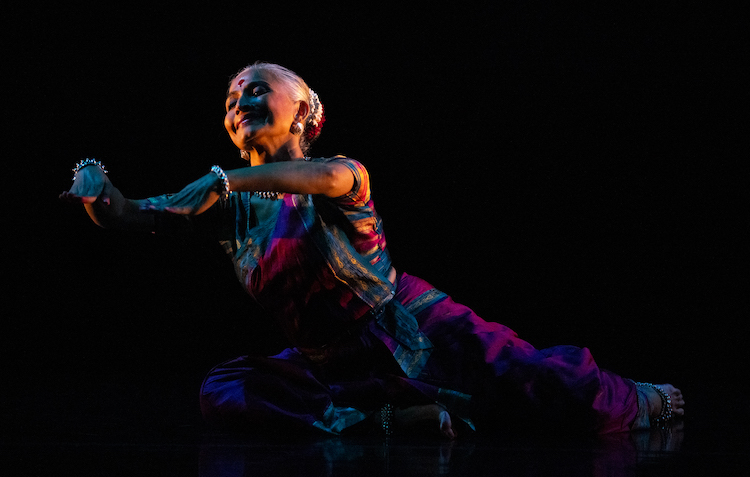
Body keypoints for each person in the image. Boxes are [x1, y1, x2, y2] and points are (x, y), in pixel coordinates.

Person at [60, 62, 684, 439]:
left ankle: (641, 399)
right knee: (225, 389)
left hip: (413, 327)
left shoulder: (338, 173)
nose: (239, 101)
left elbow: (327, 181)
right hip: (332, 365)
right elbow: (133, 213)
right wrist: (95, 188)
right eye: (230, 100)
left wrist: (225, 179)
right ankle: (383, 425)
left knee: (550, 389)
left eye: (256, 89)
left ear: (304, 112)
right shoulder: (227, 206)